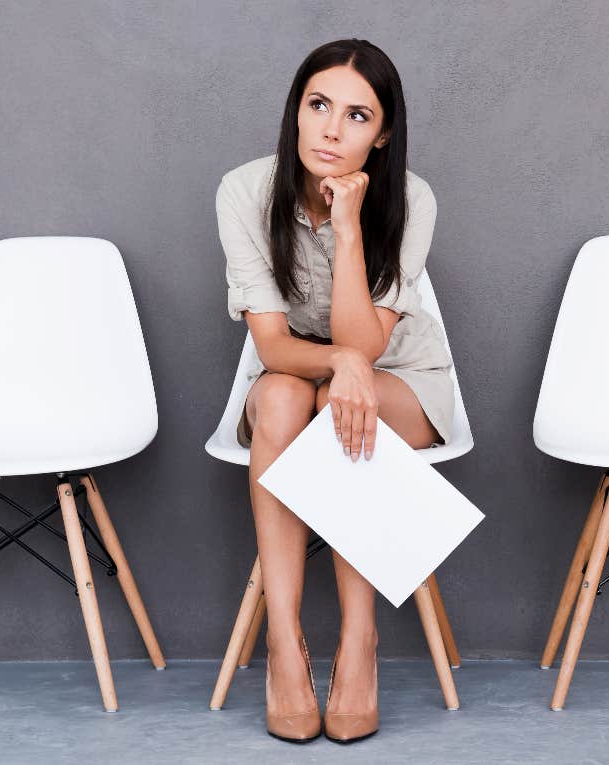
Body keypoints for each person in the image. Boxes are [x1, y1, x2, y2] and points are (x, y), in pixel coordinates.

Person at [214, 38, 454, 744]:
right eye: (318, 105)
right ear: (296, 112)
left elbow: (371, 345)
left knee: (328, 402)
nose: (330, 129)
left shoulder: (411, 199)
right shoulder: (245, 191)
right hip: (299, 376)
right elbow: (271, 347)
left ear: (382, 135)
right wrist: (344, 366)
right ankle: (285, 646)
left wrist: (349, 228)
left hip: (405, 382)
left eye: (357, 116)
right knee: (291, 396)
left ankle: (358, 641)